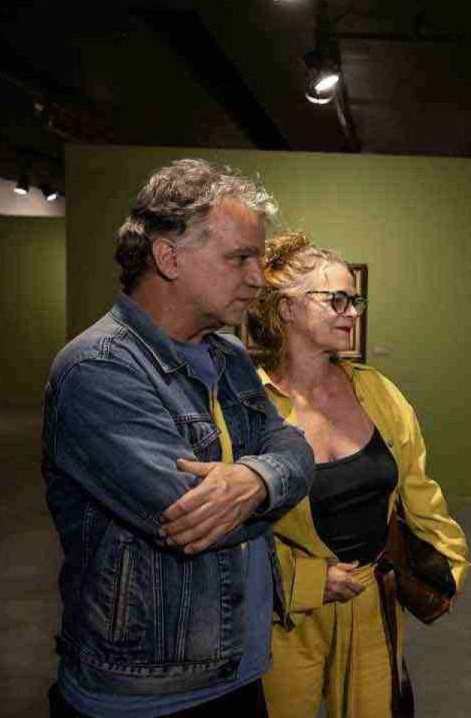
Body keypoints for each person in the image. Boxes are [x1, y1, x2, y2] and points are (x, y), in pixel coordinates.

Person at [42, 159, 315, 716]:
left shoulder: (229, 355)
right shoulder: (96, 370)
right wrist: (273, 477)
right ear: (168, 258)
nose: (257, 277)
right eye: (239, 258)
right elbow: (189, 517)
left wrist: (256, 477)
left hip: (237, 666)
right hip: (147, 691)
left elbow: (295, 447)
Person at [245, 231, 470, 717]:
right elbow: (229, 529)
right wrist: (306, 582)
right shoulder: (247, 404)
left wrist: (447, 568)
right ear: (286, 309)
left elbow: (419, 493)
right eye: (337, 300)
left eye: (355, 300)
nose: (353, 312)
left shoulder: (377, 392)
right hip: (284, 618)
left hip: (373, 602)